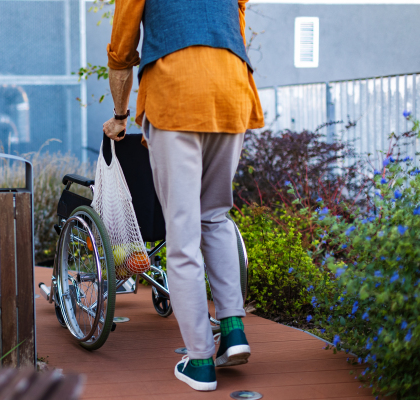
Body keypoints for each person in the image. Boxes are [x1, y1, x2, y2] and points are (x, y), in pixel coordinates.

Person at [102, 0, 264, 392]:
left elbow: (121, 50)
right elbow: (235, 23)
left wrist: (121, 115)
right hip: (231, 91)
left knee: (183, 232)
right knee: (216, 215)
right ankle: (233, 328)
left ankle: (201, 360)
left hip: (176, 92)